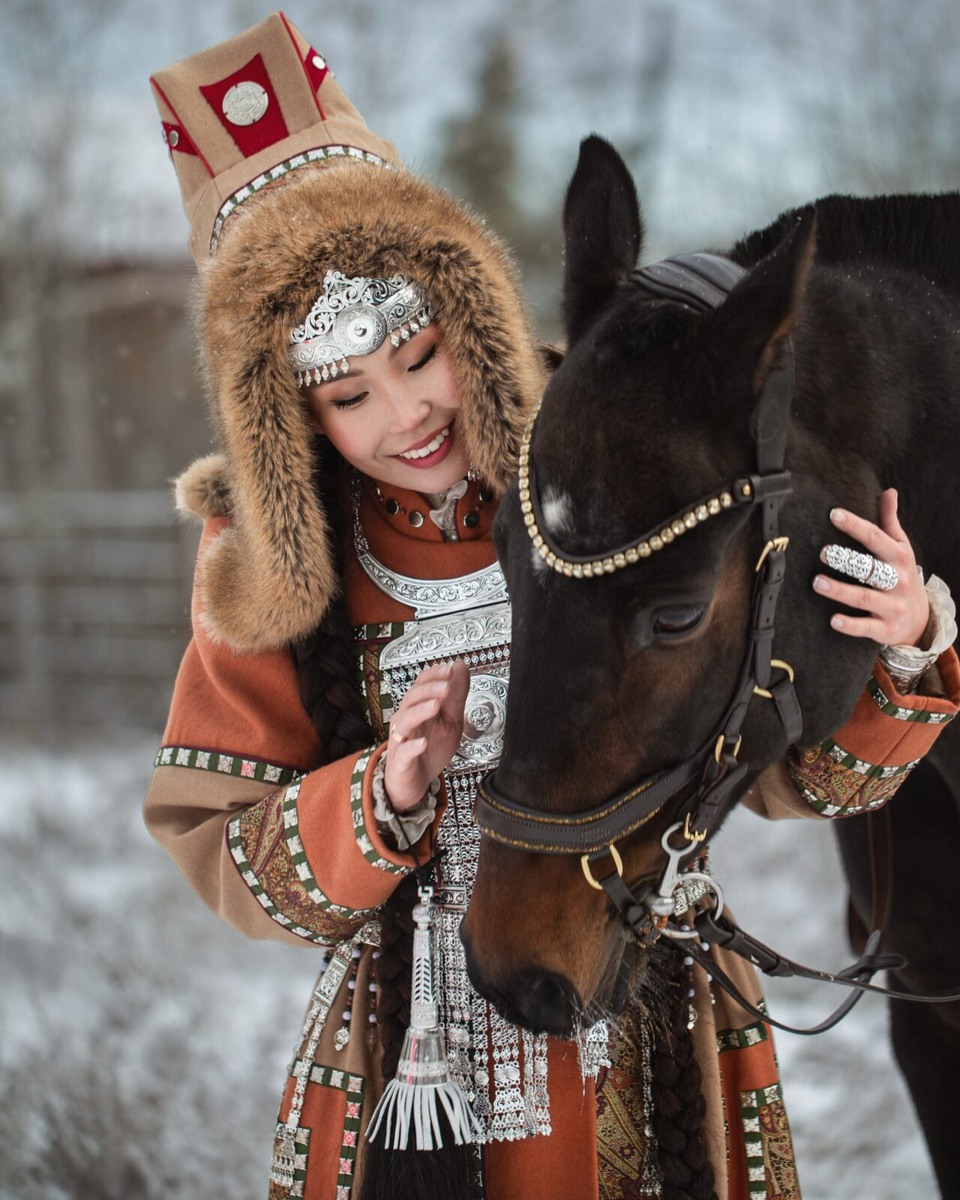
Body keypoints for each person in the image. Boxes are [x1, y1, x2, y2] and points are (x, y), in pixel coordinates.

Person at [145, 13, 960, 1200]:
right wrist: (381, 798)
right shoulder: (278, 577)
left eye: (420, 354)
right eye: (347, 395)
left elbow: (764, 763)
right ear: (288, 412)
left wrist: (906, 662)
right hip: (423, 1056)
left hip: (664, 1011)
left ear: (465, 312)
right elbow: (217, 842)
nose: (406, 413)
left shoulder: (596, 490)